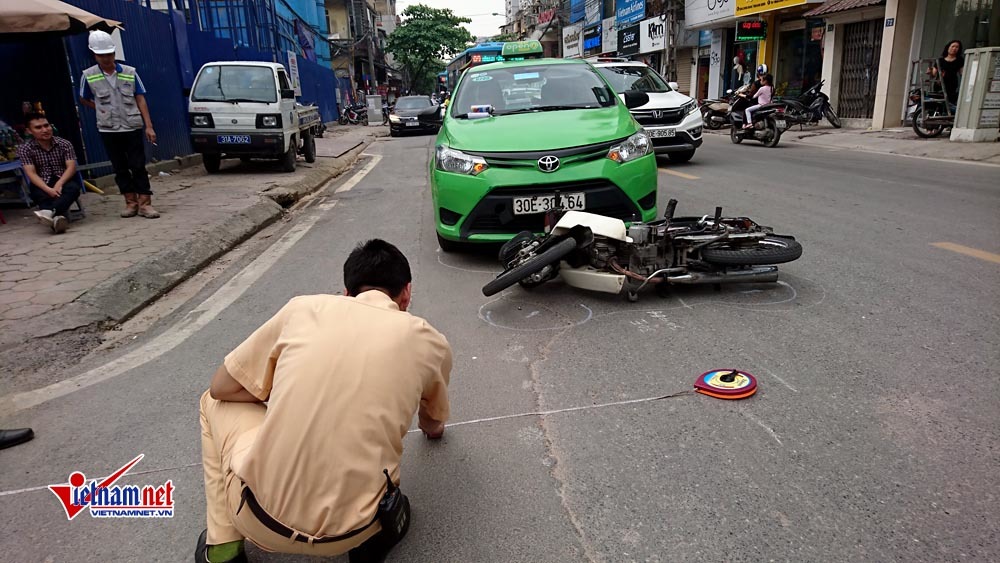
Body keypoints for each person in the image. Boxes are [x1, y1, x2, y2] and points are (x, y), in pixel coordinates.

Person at [196, 239, 452, 563]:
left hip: (259, 520)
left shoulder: (302, 308)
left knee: (210, 403)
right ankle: (371, 535)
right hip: (360, 528)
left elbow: (222, 388)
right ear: (406, 293)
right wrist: (433, 428)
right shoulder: (431, 342)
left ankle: (222, 548)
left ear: (346, 293)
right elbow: (433, 423)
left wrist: (280, 395)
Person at [78, 30, 160, 219]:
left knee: (138, 165)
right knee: (120, 167)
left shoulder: (130, 73)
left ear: (114, 53)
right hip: (108, 129)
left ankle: (145, 203)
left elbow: (140, 99)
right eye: (102, 55)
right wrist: (101, 110)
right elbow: (84, 98)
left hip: (131, 126)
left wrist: (149, 126)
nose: (106, 58)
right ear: (95, 55)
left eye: (109, 54)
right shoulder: (88, 75)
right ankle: (130, 202)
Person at [15, 113, 81, 234]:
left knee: (74, 189)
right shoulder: (25, 149)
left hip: (63, 179)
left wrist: (59, 183)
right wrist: (47, 189)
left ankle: (48, 212)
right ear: (29, 131)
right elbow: (31, 173)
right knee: (39, 194)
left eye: (46, 125)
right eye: (38, 127)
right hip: (42, 182)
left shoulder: (64, 144)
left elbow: (71, 167)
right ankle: (57, 218)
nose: (45, 130)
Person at [936, 40, 964, 106]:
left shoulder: (959, 60)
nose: (954, 48)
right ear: (948, 47)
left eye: (957, 47)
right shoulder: (940, 60)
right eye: (953, 46)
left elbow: (962, 72)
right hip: (940, 84)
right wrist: (930, 71)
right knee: (939, 103)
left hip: (952, 85)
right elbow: (933, 73)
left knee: (950, 103)